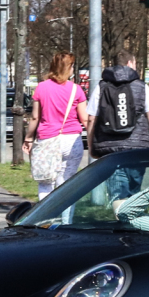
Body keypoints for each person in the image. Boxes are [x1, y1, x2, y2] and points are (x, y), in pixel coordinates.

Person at [86, 51, 149, 202]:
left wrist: (91, 147)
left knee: (117, 195)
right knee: (135, 193)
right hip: (137, 150)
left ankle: (122, 221)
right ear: (129, 64)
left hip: (110, 150)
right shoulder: (141, 87)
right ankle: (132, 223)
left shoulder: (101, 87)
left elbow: (91, 120)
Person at [24, 52, 89, 198]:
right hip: (72, 141)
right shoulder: (76, 89)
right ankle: (65, 219)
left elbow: (35, 117)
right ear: (69, 67)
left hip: (47, 140)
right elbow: (85, 119)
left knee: (45, 182)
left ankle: (46, 219)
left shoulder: (41, 87)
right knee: (66, 184)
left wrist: (28, 138)